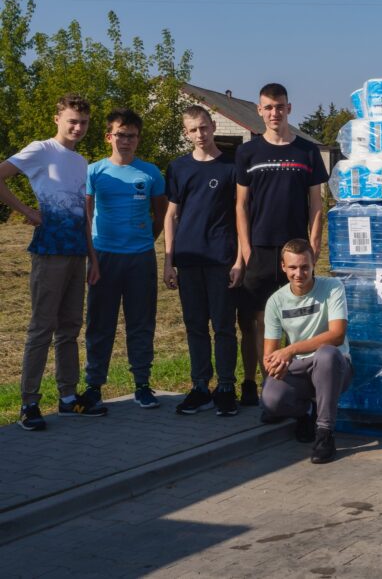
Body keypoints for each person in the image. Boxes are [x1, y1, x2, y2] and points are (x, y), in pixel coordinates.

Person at [0, 94, 105, 429]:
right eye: (72, 120)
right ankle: (29, 403)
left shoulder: (81, 161)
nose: (77, 127)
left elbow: (84, 215)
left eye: (84, 123)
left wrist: (93, 258)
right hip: (49, 253)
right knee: (42, 328)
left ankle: (68, 398)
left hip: (76, 254)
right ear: (57, 118)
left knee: (70, 329)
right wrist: (28, 212)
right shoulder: (41, 150)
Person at [236, 83, 329, 407]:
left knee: (298, 321)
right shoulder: (248, 152)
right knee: (255, 322)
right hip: (260, 250)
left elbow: (317, 204)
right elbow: (241, 205)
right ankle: (254, 383)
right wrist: (246, 250)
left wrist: (313, 246)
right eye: (268, 107)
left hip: (296, 251)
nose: (274, 113)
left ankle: (293, 386)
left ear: (289, 108)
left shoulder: (306, 151)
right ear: (260, 111)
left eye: (279, 107)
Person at [82, 109, 168, 410]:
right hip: (103, 258)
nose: (126, 140)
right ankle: (93, 386)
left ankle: (142, 385)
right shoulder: (94, 172)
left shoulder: (151, 173)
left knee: (141, 324)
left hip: (140, 259)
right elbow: (86, 215)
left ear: (138, 139)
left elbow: (161, 216)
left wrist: (144, 242)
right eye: (120, 134)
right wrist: (91, 258)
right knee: (99, 324)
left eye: (131, 135)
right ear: (109, 137)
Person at [164, 106, 244, 417]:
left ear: (212, 126)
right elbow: (171, 216)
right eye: (193, 130)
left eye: (204, 127)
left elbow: (241, 215)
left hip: (221, 258)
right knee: (195, 325)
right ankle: (200, 386)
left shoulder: (231, 166)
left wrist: (239, 259)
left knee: (224, 326)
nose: (200, 134)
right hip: (187, 259)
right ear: (186, 133)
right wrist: (168, 261)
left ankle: (225, 387)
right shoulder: (178, 168)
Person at [261, 239, 353, 464]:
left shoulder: (332, 288)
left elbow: (337, 335)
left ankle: (325, 434)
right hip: (300, 367)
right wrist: (274, 365)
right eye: (292, 267)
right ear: (283, 267)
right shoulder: (276, 301)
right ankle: (305, 413)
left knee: (326, 354)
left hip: (335, 365)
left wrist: (290, 350)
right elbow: (269, 355)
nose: (299, 273)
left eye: (304, 267)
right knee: (271, 399)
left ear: (314, 264)